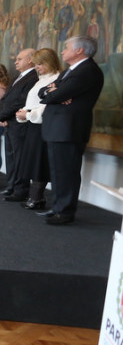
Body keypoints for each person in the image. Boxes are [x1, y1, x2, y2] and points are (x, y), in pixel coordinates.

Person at [38, 36, 105, 225]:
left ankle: (64, 212)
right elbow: (43, 92)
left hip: (68, 129)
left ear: (79, 50)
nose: (62, 51)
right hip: (59, 128)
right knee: (58, 172)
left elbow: (55, 95)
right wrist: (54, 93)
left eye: (66, 47)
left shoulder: (87, 71)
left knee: (66, 171)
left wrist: (56, 93)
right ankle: (58, 208)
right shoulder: (70, 71)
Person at [14, 48, 63, 211]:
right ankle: (34, 196)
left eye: (40, 64)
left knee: (39, 162)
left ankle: (37, 197)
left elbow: (46, 105)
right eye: (36, 64)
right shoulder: (41, 79)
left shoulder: (56, 78)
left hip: (42, 125)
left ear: (49, 62)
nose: (37, 67)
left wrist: (28, 114)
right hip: (32, 124)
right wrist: (24, 113)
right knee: (33, 161)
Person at [0, 48, 38, 200]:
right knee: (10, 157)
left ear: (30, 60)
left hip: (20, 124)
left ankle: (20, 190)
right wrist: (2, 116)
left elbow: (20, 101)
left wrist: (1, 115)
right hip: (9, 122)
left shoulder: (34, 77)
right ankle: (11, 185)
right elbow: (6, 99)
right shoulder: (18, 76)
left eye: (20, 59)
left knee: (20, 158)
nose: (16, 61)